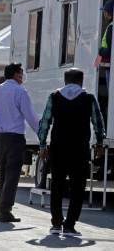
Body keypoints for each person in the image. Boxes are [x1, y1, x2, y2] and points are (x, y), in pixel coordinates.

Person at [38, 68, 105, 236]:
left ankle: (56, 223)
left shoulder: (54, 96)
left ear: (65, 80)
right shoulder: (88, 98)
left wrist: (42, 146)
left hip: (58, 147)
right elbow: (98, 122)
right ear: (81, 81)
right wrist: (99, 143)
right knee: (77, 187)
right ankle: (69, 225)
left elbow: (45, 121)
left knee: (57, 185)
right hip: (79, 148)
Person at [0, 63, 39, 222]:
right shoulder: (20, 91)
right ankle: (5, 209)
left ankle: (2, 204)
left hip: (0, 137)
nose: (23, 76)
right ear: (16, 75)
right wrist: (42, 136)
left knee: (3, 172)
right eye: (21, 73)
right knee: (12, 174)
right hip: (15, 137)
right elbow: (31, 117)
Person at [99, 0, 114, 86]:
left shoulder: (111, 27)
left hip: (110, 67)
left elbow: (110, 50)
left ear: (109, 13)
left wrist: (100, 51)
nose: (104, 14)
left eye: (105, 12)